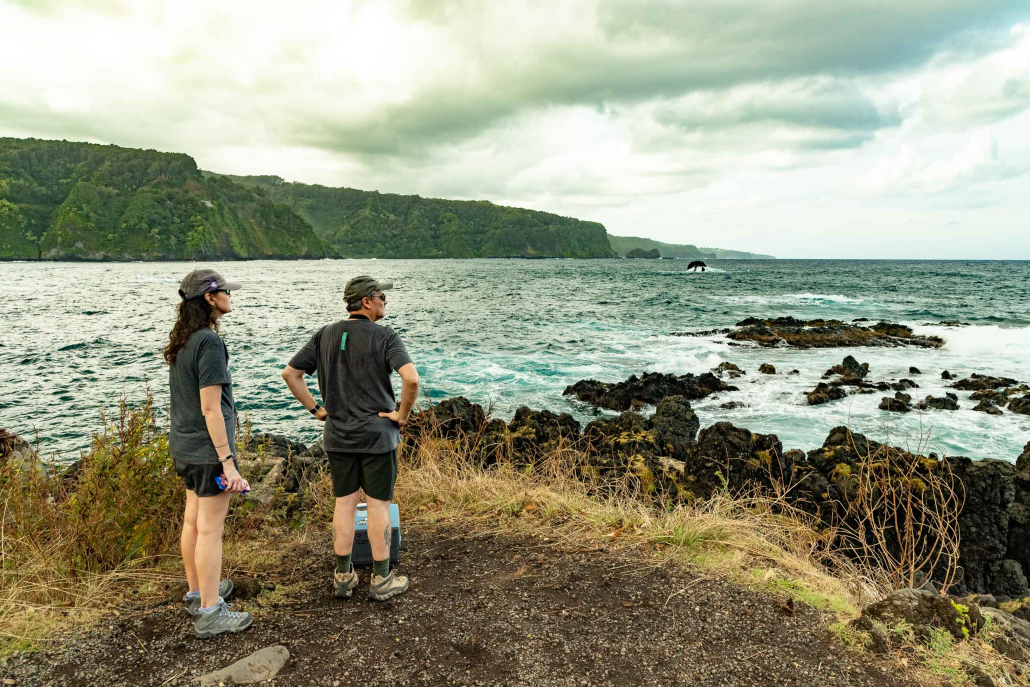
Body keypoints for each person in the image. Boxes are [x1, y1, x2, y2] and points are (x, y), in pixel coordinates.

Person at [281, 275, 420, 601]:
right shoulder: (385, 336)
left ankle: (344, 577)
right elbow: (411, 380)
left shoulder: (326, 335)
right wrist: (401, 416)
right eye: (381, 295)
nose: (386, 300)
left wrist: (317, 410)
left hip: (338, 436)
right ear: (366, 301)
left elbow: (290, 374)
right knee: (377, 506)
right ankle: (381, 580)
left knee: (344, 504)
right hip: (377, 438)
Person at [164, 268, 253, 639]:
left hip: (183, 447)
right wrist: (228, 462)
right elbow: (211, 408)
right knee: (211, 531)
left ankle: (198, 593)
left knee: (193, 523)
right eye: (225, 292)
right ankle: (210, 612)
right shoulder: (210, 343)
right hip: (207, 452)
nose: (230, 296)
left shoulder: (183, 340)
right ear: (209, 299)